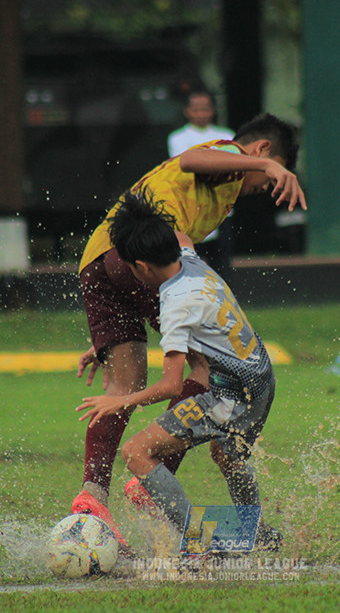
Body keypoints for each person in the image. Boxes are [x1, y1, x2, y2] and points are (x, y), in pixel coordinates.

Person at [73, 113, 304, 546]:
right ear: (262, 150)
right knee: (202, 369)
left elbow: (131, 273)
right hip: (138, 260)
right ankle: (159, 484)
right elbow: (193, 159)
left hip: (100, 260)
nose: (262, 189)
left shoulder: (212, 193)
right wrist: (266, 168)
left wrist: (114, 324)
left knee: (123, 382)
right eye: (267, 179)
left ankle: (92, 497)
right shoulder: (234, 157)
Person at [167, 91, 236, 278]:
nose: (201, 114)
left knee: (222, 261)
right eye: (196, 110)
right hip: (191, 210)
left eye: (205, 109)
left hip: (222, 209)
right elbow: (184, 170)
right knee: (188, 260)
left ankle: (223, 302)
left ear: (212, 111)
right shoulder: (177, 138)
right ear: (187, 111)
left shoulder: (227, 136)